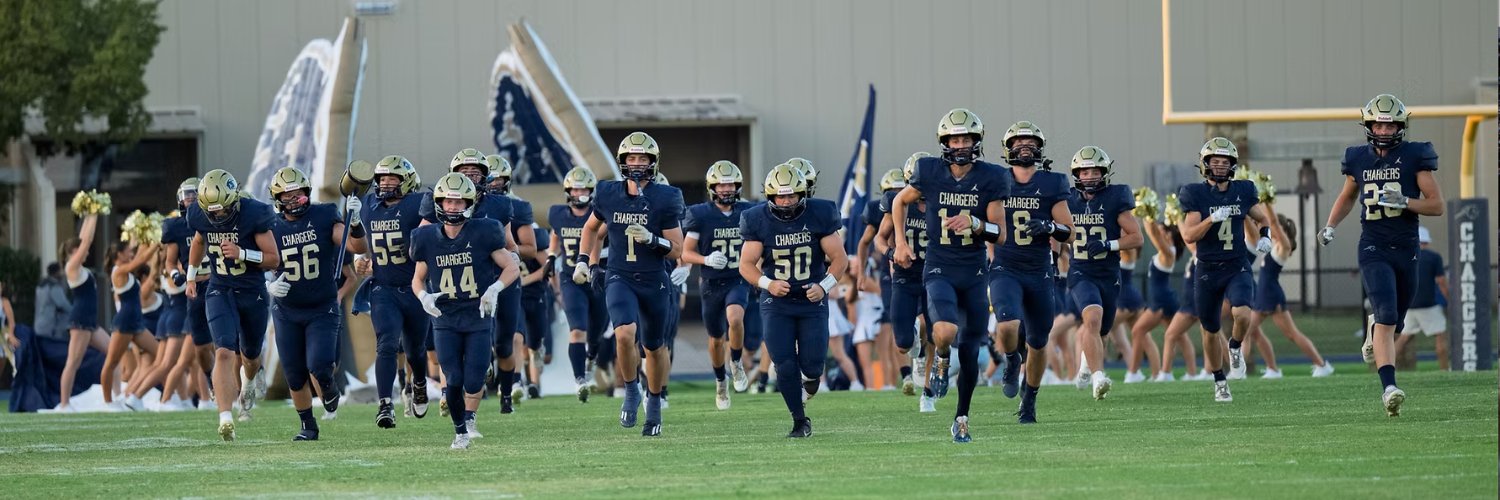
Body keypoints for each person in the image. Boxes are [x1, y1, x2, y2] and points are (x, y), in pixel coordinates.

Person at [891, 108, 1010, 442]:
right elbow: (899, 202)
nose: (960, 145)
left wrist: (974, 223)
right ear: (944, 142)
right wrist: (900, 242)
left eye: (966, 138)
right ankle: (941, 357)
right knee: (943, 331)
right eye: (955, 139)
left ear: (977, 141)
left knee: (971, 352)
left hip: (973, 270)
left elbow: (1000, 234)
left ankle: (961, 417)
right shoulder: (929, 171)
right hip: (939, 265)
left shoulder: (991, 177)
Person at [1321, 94, 1444, 417]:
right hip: (1373, 245)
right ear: (1368, 125)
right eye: (1378, 122)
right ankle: (1389, 387)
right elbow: (1348, 196)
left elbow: (1436, 205)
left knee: (1395, 322)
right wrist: (1331, 225)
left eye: (1390, 124)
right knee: (1388, 315)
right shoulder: (1358, 158)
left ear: (1400, 126)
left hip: (1406, 247)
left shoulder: (1415, 156)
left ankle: (1375, 324)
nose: (1384, 129)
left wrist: (1404, 201)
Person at [573, 132, 685, 436]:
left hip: (653, 279)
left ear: (653, 162)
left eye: (642, 158)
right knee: (624, 334)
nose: (636, 164)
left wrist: (652, 239)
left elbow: (677, 249)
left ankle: (656, 401)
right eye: (631, 158)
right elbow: (591, 229)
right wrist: (586, 261)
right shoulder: (609, 192)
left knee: (655, 347)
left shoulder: (666, 196)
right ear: (622, 162)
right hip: (620, 276)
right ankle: (632, 389)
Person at [411, 172, 521, 449]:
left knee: (474, 378)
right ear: (439, 203)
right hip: (445, 318)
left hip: (477, 315)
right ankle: (460, 431)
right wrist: (423, 296)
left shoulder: (485, 231)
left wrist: (495, 289)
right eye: (448, 201)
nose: (453, 207)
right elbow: (417, 278)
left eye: (460, 202)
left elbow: (511, 266)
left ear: (470, 203)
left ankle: (471, 413)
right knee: (454, 380)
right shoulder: (426, 237)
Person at [739, 163, 848, 437]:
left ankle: (811, 381)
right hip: (777, 301)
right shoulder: (757, 219)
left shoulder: (820, 213)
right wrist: (768, 283)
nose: (786, 202)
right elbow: (746, 265)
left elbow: (840, 260)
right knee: (784, 362)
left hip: (812, 299)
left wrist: (824, 287)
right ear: (770, 197)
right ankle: (800, 421)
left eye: (791, 196)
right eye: (780, 196)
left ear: (803, 194)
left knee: (812, 365)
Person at [264, 167, 366, 440]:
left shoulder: (322, 215)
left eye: (299, 193)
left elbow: (357, 247)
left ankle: (329, 388)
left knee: (320, 365)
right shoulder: (269, 226)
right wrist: (268, 284)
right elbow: (254, 262)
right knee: (294, 374)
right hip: (286, 310)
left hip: (321, 305)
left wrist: (355, 222)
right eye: (288, 195)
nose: (295, 199)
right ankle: (308, 426)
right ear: (277, 199)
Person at [185, 169, 282, 440]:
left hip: (252, 292)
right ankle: (225, 417)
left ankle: (249, 380)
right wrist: (191, 276)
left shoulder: (253, 213)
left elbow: (274, 259)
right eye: (212, 211)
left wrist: (242, 253)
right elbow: (199, 241)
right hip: (220, 289)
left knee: (249, 356)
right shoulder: (198, 215)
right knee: (225, 351)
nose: (218, 216)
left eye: (223, 209)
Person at [1178, 138, 1276, 403]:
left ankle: (1234, 347)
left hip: (1236, 264)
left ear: (1233, 165)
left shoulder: (1243, 190)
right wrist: (1212, 218)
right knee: (1209, 330)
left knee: (1243, 313)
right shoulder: (1194, 193)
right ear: (1205, 164)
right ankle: (1219, 380)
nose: (1220, 167)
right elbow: (1188, 235)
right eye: (1215, 162)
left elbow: (1262, 217)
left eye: (1225, 162)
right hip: (1208, 268)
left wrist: (1265, 235)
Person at [989, 121, 1074, 413]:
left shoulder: (1052, 183)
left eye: (1030, 142)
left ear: (1039, 148)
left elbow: (1070, 231)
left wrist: (1050, 226)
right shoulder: (996, 180)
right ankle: (1012, 358)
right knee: (1007, 325)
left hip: (1039, 270)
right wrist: (990, 253)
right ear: (1008, 149)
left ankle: (1030, 400)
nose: (1024, 146)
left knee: (1038, 341)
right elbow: (989, 223)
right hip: (1006, 267)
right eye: (1018, 142)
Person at [353, 155, 432, 426]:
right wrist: (358, 256)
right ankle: (385, 405)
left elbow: (428, 235)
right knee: (386, 344)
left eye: (392, 179)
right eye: (382, 178)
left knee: (415, 350)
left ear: (407, 182)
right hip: (383, 288)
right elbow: (359, 247)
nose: (385, 183)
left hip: (413, 286)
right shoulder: (368, 206)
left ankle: (419, 382)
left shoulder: (418, 203)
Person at [1065, 146, 1142, 400]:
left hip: (1108, 274)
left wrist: (1110, 244)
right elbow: (1057, 232)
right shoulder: (1066, 201)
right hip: (1081, 273)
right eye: (1084, 171)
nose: (1089, 176)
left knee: (1103, 332)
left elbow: (1136, 237)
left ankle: (1088, 365)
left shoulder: (1114, 198)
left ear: (1104, 173)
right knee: (1093, 319)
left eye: (1095, 171)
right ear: (1077, 173)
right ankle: (1099, 377)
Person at [681, 160, 756, 409]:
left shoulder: (748, 212)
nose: (726, 189)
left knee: (735, 318)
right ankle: (720, 381)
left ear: (738, 186)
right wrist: (705, 259)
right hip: (711, 282)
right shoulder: (700, 214)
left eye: (730, 184)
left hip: (738, 278)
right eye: (721, 184)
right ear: (712, 187)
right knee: (715, 338)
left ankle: (735, 362)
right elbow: (685, 252)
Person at [875, 152, 937, 411]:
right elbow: (880, 239)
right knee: (902, 344)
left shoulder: (944, 202)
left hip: (936, 274)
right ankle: (914, 343)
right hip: (905, 274)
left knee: (934, 331)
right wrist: (892, 254)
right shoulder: (897, 202)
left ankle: (928, 392)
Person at [1247, 207, 1334, 377]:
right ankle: (1277, 369)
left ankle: (1242, 372)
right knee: (1288, 334)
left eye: (1275, 229)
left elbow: (1272, 222)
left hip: (1269, 295)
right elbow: (1267, 221)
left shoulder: (1284, 247)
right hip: (1267, 294)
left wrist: (1268, 201)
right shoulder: (1275, 247)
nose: (1271, 231)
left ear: (1281, 230)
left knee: (1246, 333)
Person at [549, 166, 610, 402]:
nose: (580, 192)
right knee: (577, 330)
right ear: (568, 191)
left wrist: (592, 267)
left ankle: (592, 357)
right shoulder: (557, 214)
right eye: (576, 188)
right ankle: (579, 380)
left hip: (596, 276)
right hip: (570, 278)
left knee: (596, 333)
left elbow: (597, 239)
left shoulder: (598, 214)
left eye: (584, 188)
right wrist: (551, 258)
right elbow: (555, 238)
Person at [854, 168, 906, 392]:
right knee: (898, 322)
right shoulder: (878, 211)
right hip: (890, 272)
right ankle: (907, 374)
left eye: (900, 190)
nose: (896, 195)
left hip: (923, 268)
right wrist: (861, 273)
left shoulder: (922, 205)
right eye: (891, 192)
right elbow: (865, 242)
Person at [56, 213, 110, 412]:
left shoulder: (80, 267)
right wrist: (95, 212)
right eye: (80, 250)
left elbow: (83, 239)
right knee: (73, 362)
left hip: (90, 321)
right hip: (80, 321)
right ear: (73, 251)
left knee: (114, 354)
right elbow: (86, 241)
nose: (86, 252)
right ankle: (64, 404)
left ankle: (113, 399)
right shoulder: (71, 266)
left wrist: (88, 215)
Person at [101, 237, 161, 411]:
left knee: (160, 355)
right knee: (112, 363)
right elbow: (140, 260)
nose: (131, 253)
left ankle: (133, 396)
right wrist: (156, 243)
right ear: (119, 254)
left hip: (136, 323)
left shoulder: (126, 270)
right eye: (127, 250)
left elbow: (139, 256)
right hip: (124, 323)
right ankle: (108, 402)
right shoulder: (118, 271)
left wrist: (145, 237)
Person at [1128, 216, 1182, 382]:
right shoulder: (1165, 251)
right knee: (1177, 336)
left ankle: (1134, 373)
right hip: (1159, 299)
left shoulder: (1169, 251)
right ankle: (1163, 373)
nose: (1160, 231)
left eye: (1163, 230)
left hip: (1160, 301)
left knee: (1138, 330)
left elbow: (1154, 235)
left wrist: (1146, 215)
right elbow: (1155, 234)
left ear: (1169, 235)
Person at [1396, 226, 1449, 370]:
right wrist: (1449, 299)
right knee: (1440, 334)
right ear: (1427, 241)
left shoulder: (1404, 256)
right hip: (1428, 304)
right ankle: (1444, 370)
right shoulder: (1434, 257)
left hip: (1409, 304)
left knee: (1404, 337)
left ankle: (1386, 367)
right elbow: (1441, 281)